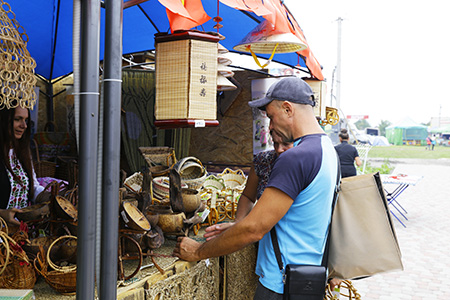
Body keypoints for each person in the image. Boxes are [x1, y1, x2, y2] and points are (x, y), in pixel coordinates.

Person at [173, 77, 339, 299]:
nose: (270, 126)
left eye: (271, 116)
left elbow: (253, 229)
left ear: (288, 109)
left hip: (281, 285)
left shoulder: (296, 158)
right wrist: (236, 228)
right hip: (306, 281)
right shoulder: (327, 149)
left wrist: (198, 251)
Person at [0, 106, 44, 226]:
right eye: (17, 119)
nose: (23, 125)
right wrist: (2, 213)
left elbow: (33, 186)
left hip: (21, 230)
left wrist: (49, 196)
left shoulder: (22, 152)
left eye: (26, 120)